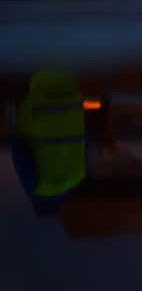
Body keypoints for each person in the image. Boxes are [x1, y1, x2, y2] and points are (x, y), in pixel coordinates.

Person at [12, 68, 87, 215]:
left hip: (70, 101)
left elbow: (84, 144)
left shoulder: (77, 178)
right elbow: (19, 152)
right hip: (40, 106)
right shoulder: (37, 187)